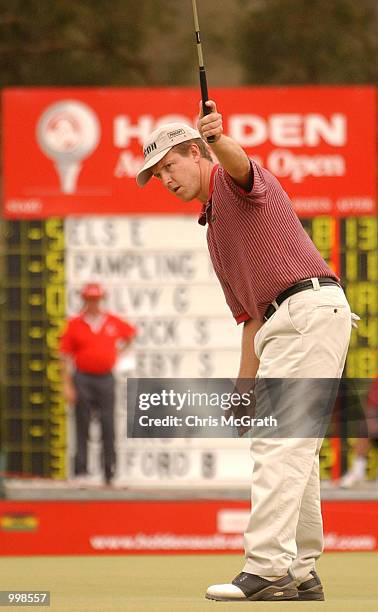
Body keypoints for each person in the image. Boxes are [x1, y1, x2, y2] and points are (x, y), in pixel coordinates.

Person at [136, 101, 354, 602]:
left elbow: (240, 164)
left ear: (195, 153)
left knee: (278, 446)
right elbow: (250, 317)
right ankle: (300, 572)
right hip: (283, 324)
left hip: (307, 310)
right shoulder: (214, 233)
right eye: (157, 175)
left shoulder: (238, 184)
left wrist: (218, 137)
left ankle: (267, 568)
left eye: (170, 165)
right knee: (294, 450)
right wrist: (242, 386)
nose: (166, 179)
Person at [59, 282, 136, 485]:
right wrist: (67, 385)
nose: (93, 304)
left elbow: (130, 334)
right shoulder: (75, 324)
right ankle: (81, 471)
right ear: (84, 300)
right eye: (89, 300)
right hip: (82, 378)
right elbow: (65, 356)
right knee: (82, 424)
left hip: (105, 378)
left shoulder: (111, 321)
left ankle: (109, 472)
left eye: (96, 299)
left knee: (108, 424)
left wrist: (116, 353)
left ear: (101, 300)